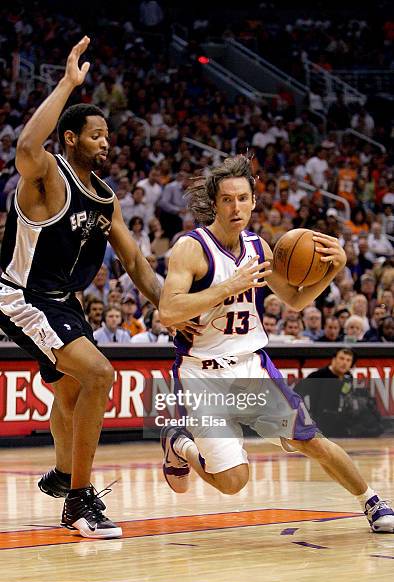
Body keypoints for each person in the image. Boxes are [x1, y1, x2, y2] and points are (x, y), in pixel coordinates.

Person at [158, 155, 394, 533]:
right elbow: (169, 310)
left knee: (311, 440)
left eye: (242, 199)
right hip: (202, 376)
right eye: (227, 200)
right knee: (234, 482)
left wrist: (333, 269)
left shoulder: (260, 248)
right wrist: (229, 286)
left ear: (254, 201)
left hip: (251, 367)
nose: (236, 208)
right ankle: (179, 443)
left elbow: (296, 300)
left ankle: (372, 501)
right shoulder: (192, 248)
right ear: (215, 203)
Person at [0, 37, 166, 539]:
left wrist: (173, 307)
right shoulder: (49, 176)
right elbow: (27, 148)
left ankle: (61, 471)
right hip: (20, 295)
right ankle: (78, 501)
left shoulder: (105, 199)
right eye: (95, 134)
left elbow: (136, 261)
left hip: (64, 302)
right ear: (70, 138)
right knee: (99, 375)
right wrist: (69, 84)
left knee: (71, 388)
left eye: (108, 135)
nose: (105, 142)